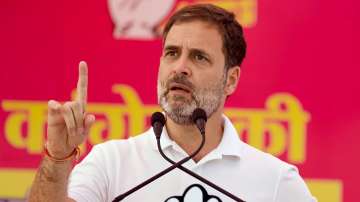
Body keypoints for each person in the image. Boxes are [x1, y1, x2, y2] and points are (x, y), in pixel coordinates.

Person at [28, 4, 316, 202]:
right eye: (172, 53)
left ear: (231, 79)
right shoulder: (111, 162)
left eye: (199, 57)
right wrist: (57, 156)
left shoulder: (275, 180)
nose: (180, 68)